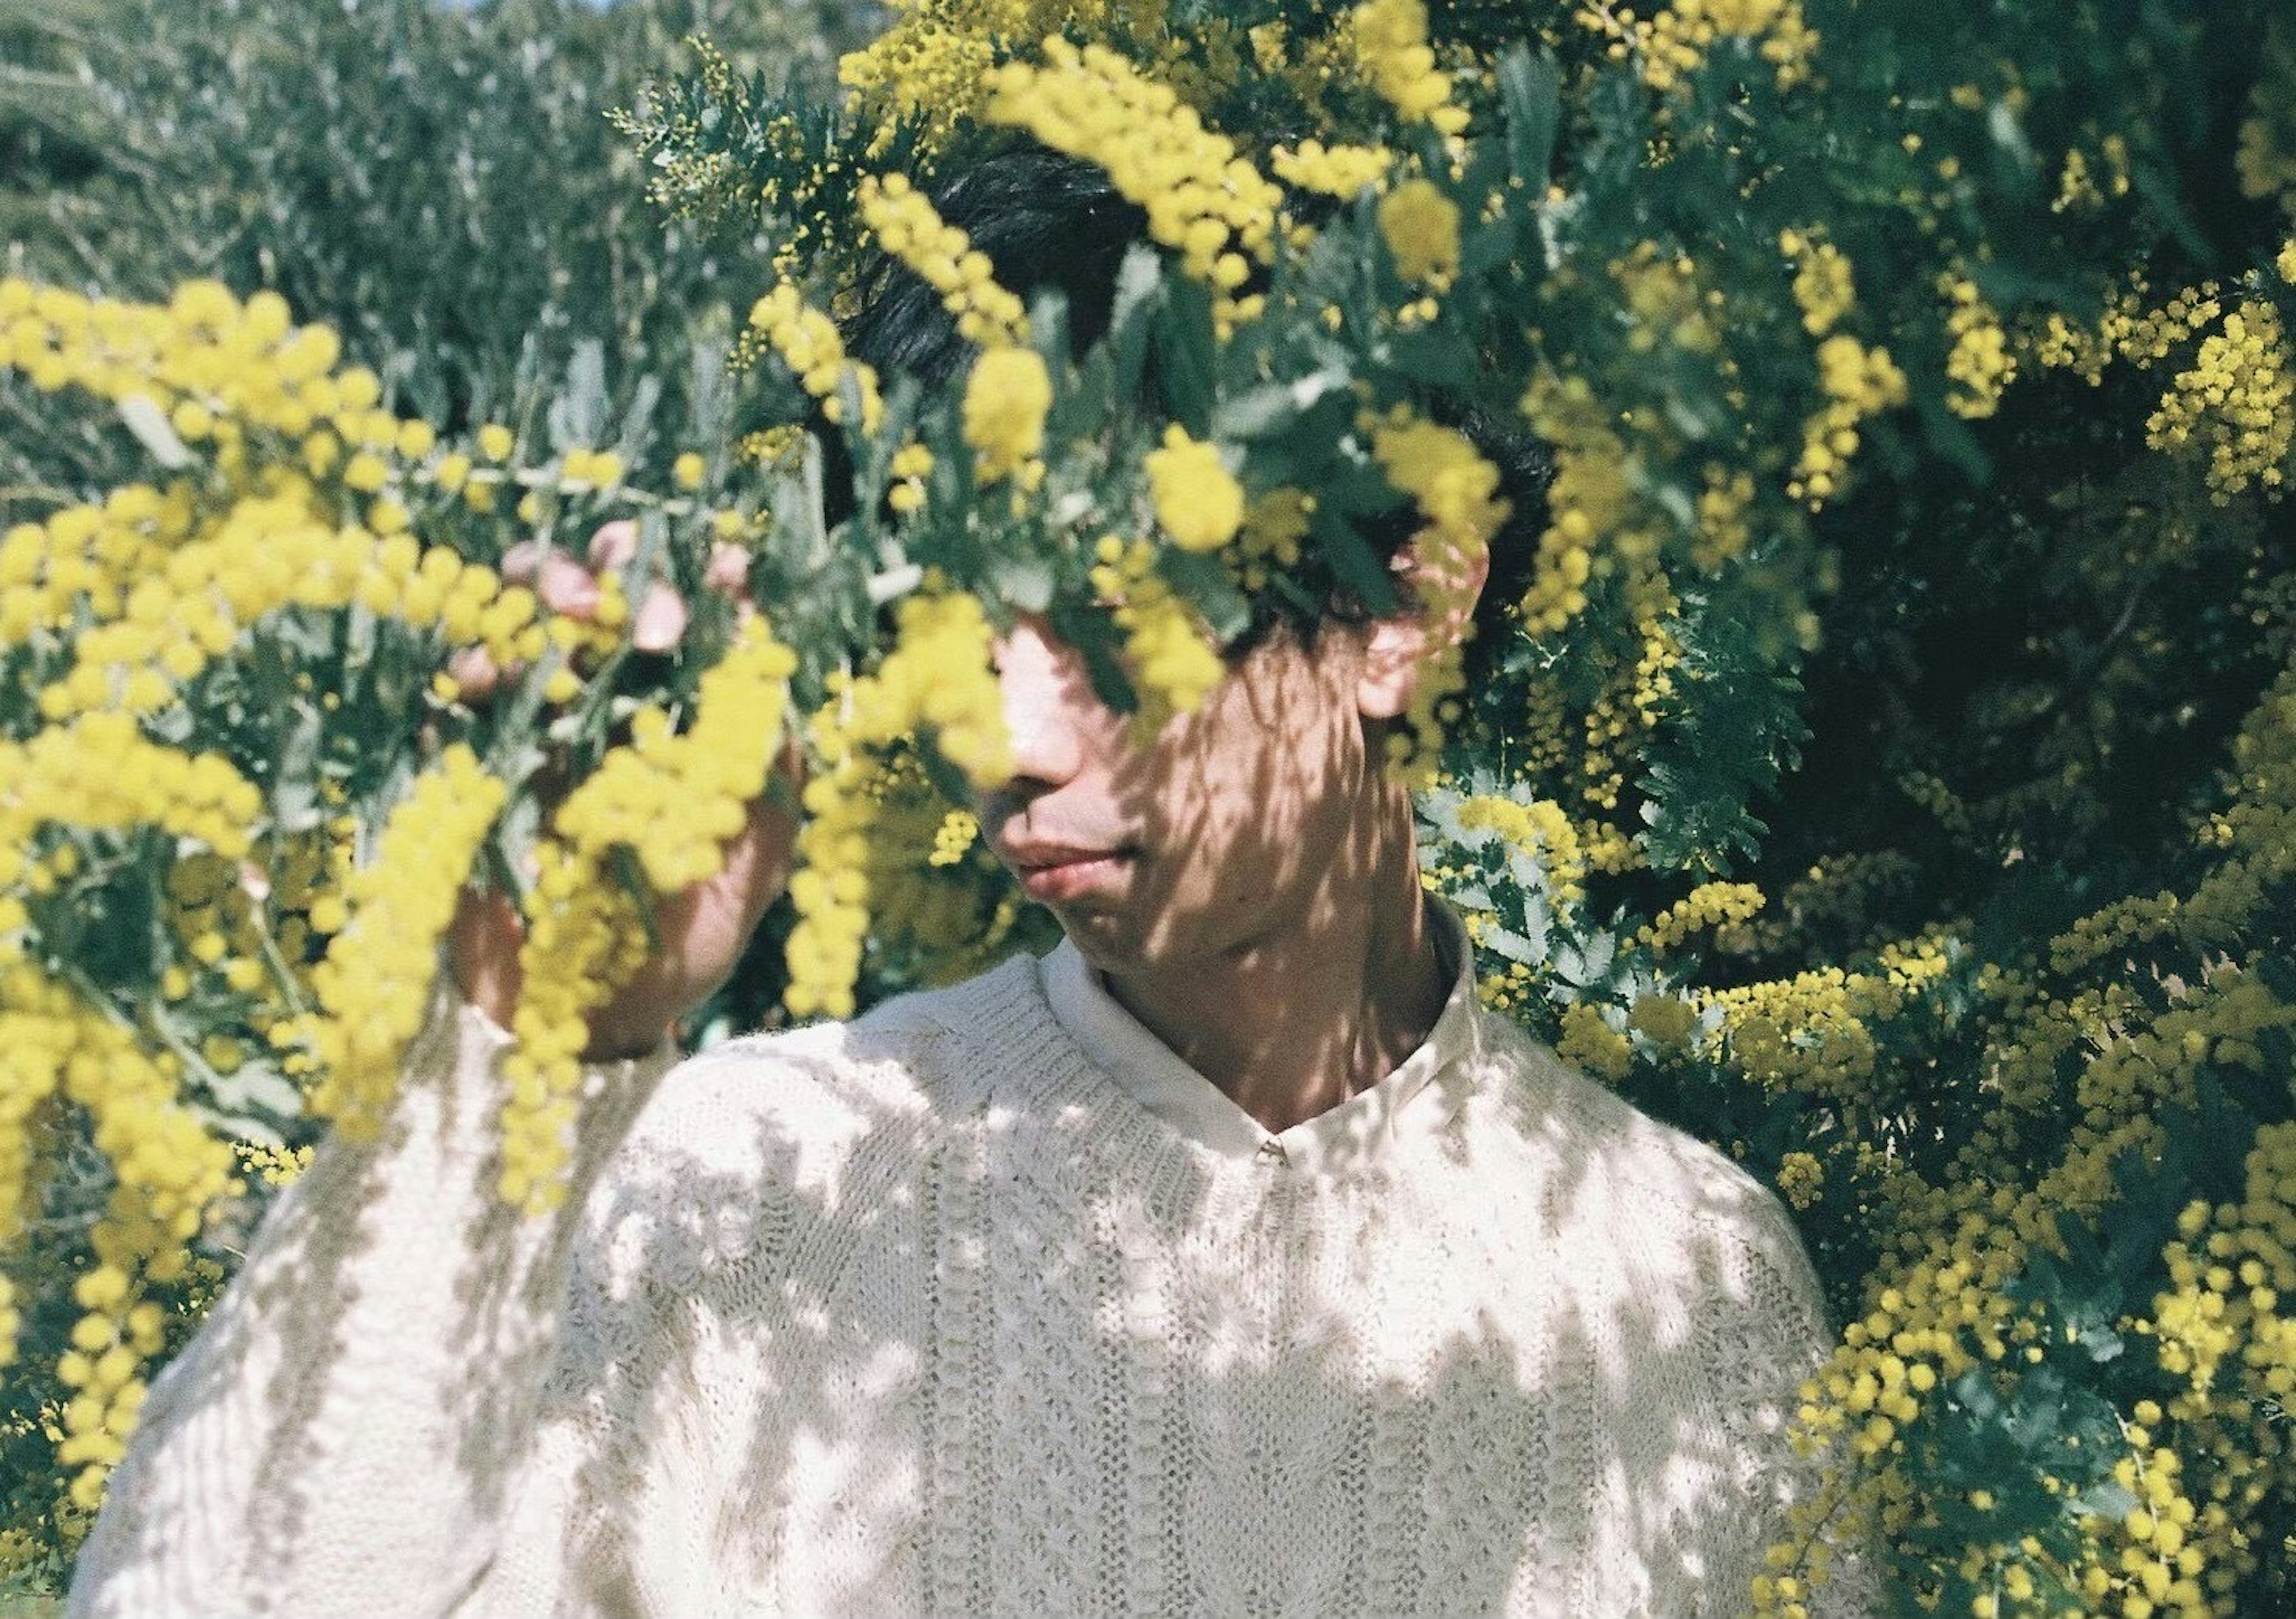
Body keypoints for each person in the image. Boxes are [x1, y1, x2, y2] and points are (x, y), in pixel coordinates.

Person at [66, 155, 1872, 1618]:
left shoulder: (1689, 1292)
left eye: (1102, 615)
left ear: (1404, 608)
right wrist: (520, 1065)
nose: (1006, 729)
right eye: (948, 630)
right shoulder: (742, 1182)